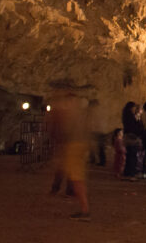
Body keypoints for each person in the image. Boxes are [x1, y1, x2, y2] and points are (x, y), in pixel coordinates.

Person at [49, 89, 91, 222]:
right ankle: (84, 208)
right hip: (77, 147)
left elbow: (67, 132)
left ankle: (85, 211)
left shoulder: (73, 115)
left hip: (75, 147)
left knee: (77, 179)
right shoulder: (80, 114)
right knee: (76, 178)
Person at [121, 102, 143, 180]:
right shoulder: (130, 116)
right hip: (132, 137)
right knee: (132, 156)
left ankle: (127, 173)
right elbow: (135, 126)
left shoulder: (126, 115)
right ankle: (131, 174)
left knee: (129, 155)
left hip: (128, 137)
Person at [87, 99, 106, 167]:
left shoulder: (93, 111)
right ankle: (97, 159)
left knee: (96, 146)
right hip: (100, 130)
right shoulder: (100, 111)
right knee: (99, 146)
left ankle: (98, 160)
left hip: (96, 130)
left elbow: (93, 121)